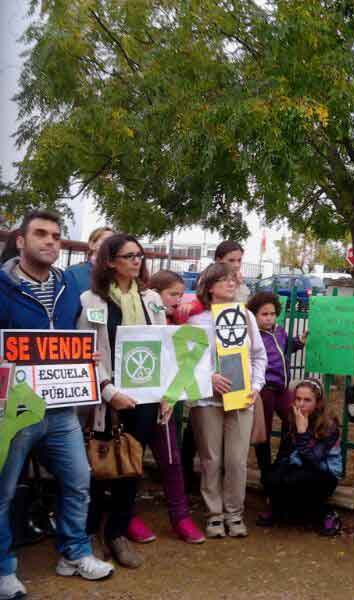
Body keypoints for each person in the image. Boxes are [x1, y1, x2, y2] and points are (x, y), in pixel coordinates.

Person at [0, 210, 114, 599]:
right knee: (5, 489)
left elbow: (80, 336)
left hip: (63, 409)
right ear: (20, 241)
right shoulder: (2, 287)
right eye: (41, 234)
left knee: (78, 480)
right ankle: (3, 569)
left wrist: (88, 360)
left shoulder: (69, 287)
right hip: (15, 412)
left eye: (56, 235)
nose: (51, 241)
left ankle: (74, 553)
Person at [78, 233, 169, 569]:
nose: (136, 261)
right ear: (110, 261)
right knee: (99, 466)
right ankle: (89, 532)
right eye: (129, 255)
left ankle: (117, 532)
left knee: (131, 465)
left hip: (145, 397)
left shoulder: (152, 299)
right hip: (108, 399)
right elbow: (87, 351)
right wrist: (107, 391)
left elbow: (164, 345)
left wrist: (164, 394)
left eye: (140, 255)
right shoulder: (91, 301)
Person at [187, 263, 266, 539]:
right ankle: (214, 515)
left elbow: (258, 355)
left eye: (233, 279)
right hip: (207, 400)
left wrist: (256, 386)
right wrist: (209, 377)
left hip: (241, 397)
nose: (231, 284)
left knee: (236, 461)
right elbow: (187, 361)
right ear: (209, 286)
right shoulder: (196, 322)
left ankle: (235, 514)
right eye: (224, 280)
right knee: (211, 459)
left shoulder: (245, 316)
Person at [131, 269, 205, 544]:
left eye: (179, 293)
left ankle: (181, 516)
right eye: (172, 294)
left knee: (172, 459)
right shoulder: (140, 315)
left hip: (166, 402)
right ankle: (128, 515)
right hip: (137, 403)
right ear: (154, 294)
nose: (178, 299)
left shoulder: (178, 318)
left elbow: (201, 302)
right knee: (132, 461)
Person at [244, 291, 307, 526]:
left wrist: (298, 342)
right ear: (255, 315)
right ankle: (265, 471)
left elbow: (286, 348)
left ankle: (281, 461)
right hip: (264, 388)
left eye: (272, 314)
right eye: (264, 314)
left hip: (282, 387)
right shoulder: (252, 334)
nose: (269, 318)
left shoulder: (279, 331)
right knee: (264, 431)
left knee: (294, 419)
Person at [261, 378, 342, 535]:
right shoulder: (292, 418)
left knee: (300, 479)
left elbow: (313, 460)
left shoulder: (329, 425)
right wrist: (275, 477)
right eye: (298, 399)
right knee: (270, 476)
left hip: (324, 473)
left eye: (307, 400)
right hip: (299, 466)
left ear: (317, 403)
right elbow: (283, 454)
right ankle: (278, 508)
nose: (300, 404)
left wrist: (302, 432)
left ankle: (327, 513)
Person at [66, 226, 114, 293]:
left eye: (114, 242)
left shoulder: (119, 274)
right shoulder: (73, 272)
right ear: (92, 245)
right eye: (106, 240)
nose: (111, 245)